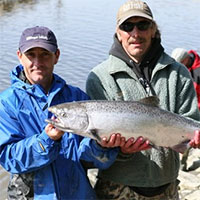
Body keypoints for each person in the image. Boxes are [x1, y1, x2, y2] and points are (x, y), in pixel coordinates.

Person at [86, 0, 200, 199]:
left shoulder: (179, 73)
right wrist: (120, 150)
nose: (135, 33)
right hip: (117, 187)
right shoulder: (100, 77)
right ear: (118, 33)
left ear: (153, 29)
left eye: (143, 25)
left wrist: (194, 138)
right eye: (127, 26)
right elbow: (95, 149)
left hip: (167, 187)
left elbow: (192, 120)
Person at [0, 26, 125, 200]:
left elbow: (91, 159)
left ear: (56, 56)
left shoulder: (76, 97)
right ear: (20, 56)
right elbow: (9, 159)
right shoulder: (6, 103)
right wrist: (47, 140)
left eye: (45, 54)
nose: (38, 62)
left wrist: (102, 146)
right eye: (31, 55)